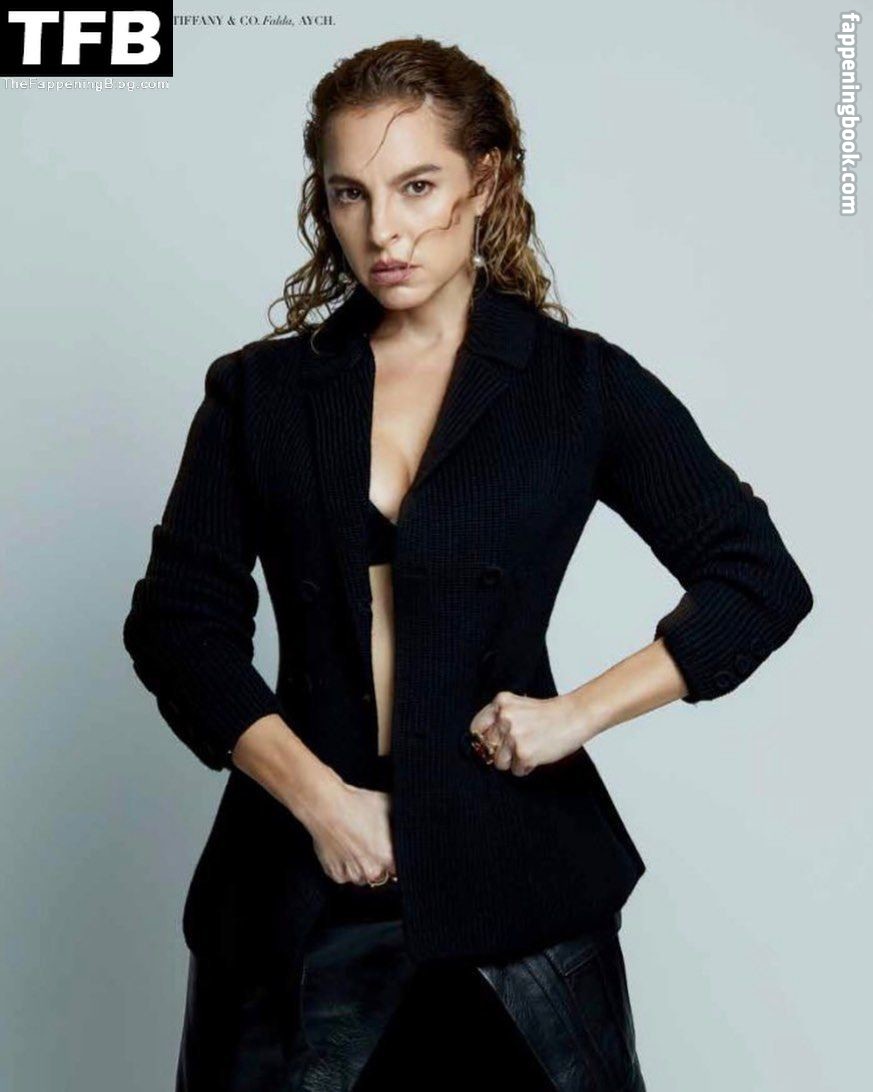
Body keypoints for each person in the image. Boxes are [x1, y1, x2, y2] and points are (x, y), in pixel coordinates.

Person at [122, 36, 814, 1092]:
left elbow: (757, 577)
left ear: (484, 182)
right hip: (300, 889)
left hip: (522, 899)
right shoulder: (260, 394)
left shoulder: (577, 386)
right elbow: (178, 626)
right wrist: (321, 801)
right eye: (350, 194)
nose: (384, 231)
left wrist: (574, 715)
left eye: (417, 186)